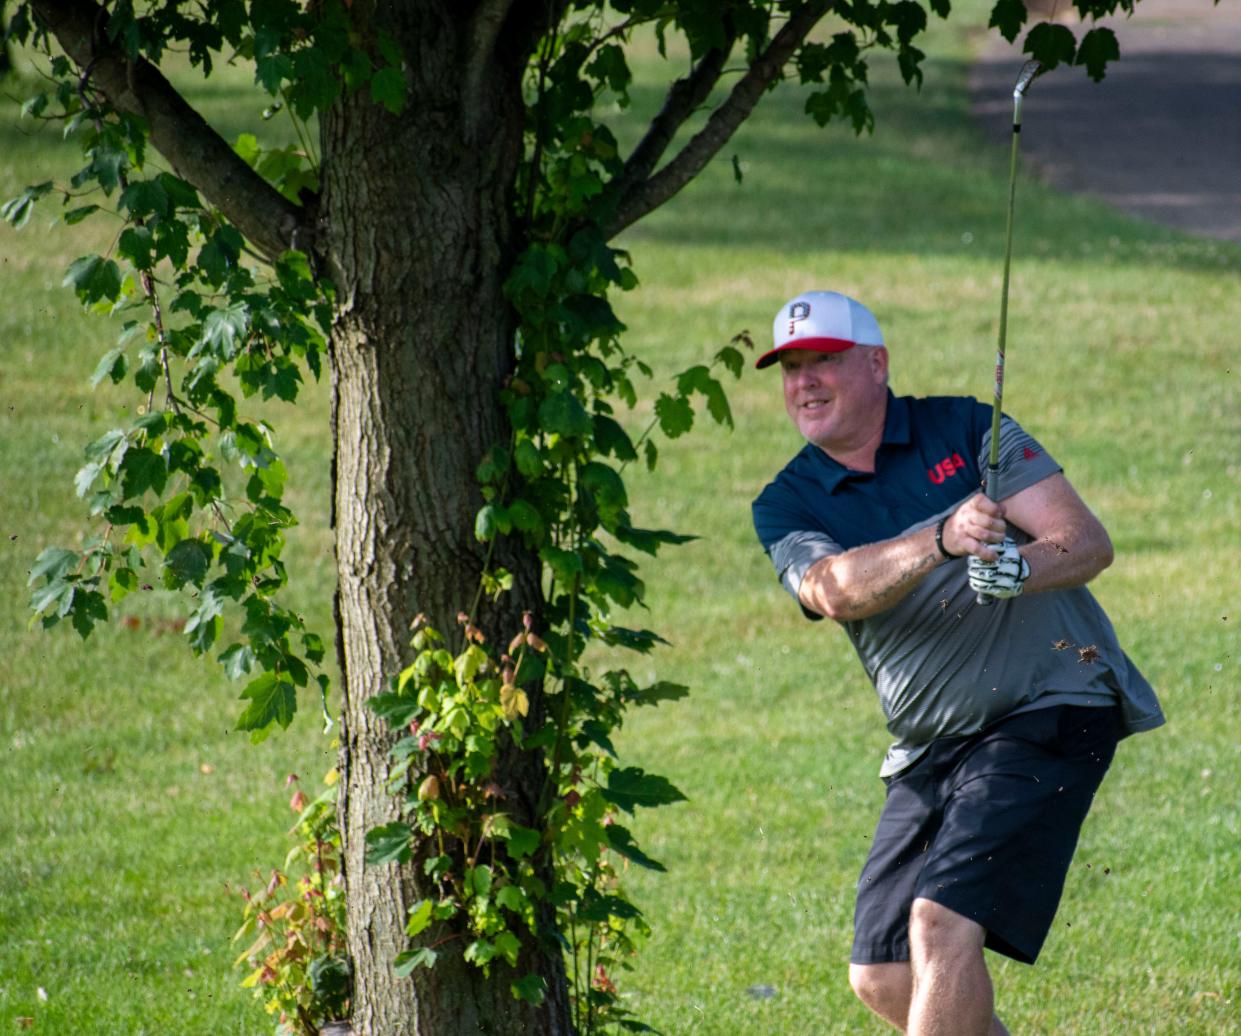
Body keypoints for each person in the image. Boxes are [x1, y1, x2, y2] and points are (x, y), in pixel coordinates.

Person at [751, 291, 1164, 1036]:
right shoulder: (787, 502)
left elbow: (1082, 542)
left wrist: (1019, 569)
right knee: (881, 974)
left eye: (824, 363)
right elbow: (833, 591)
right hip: (932, 742)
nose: (804, 382)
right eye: (789, 369)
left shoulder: (967, 426)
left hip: (1049, 702)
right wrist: (938, 538)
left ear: (876, 364)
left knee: (939, 925)